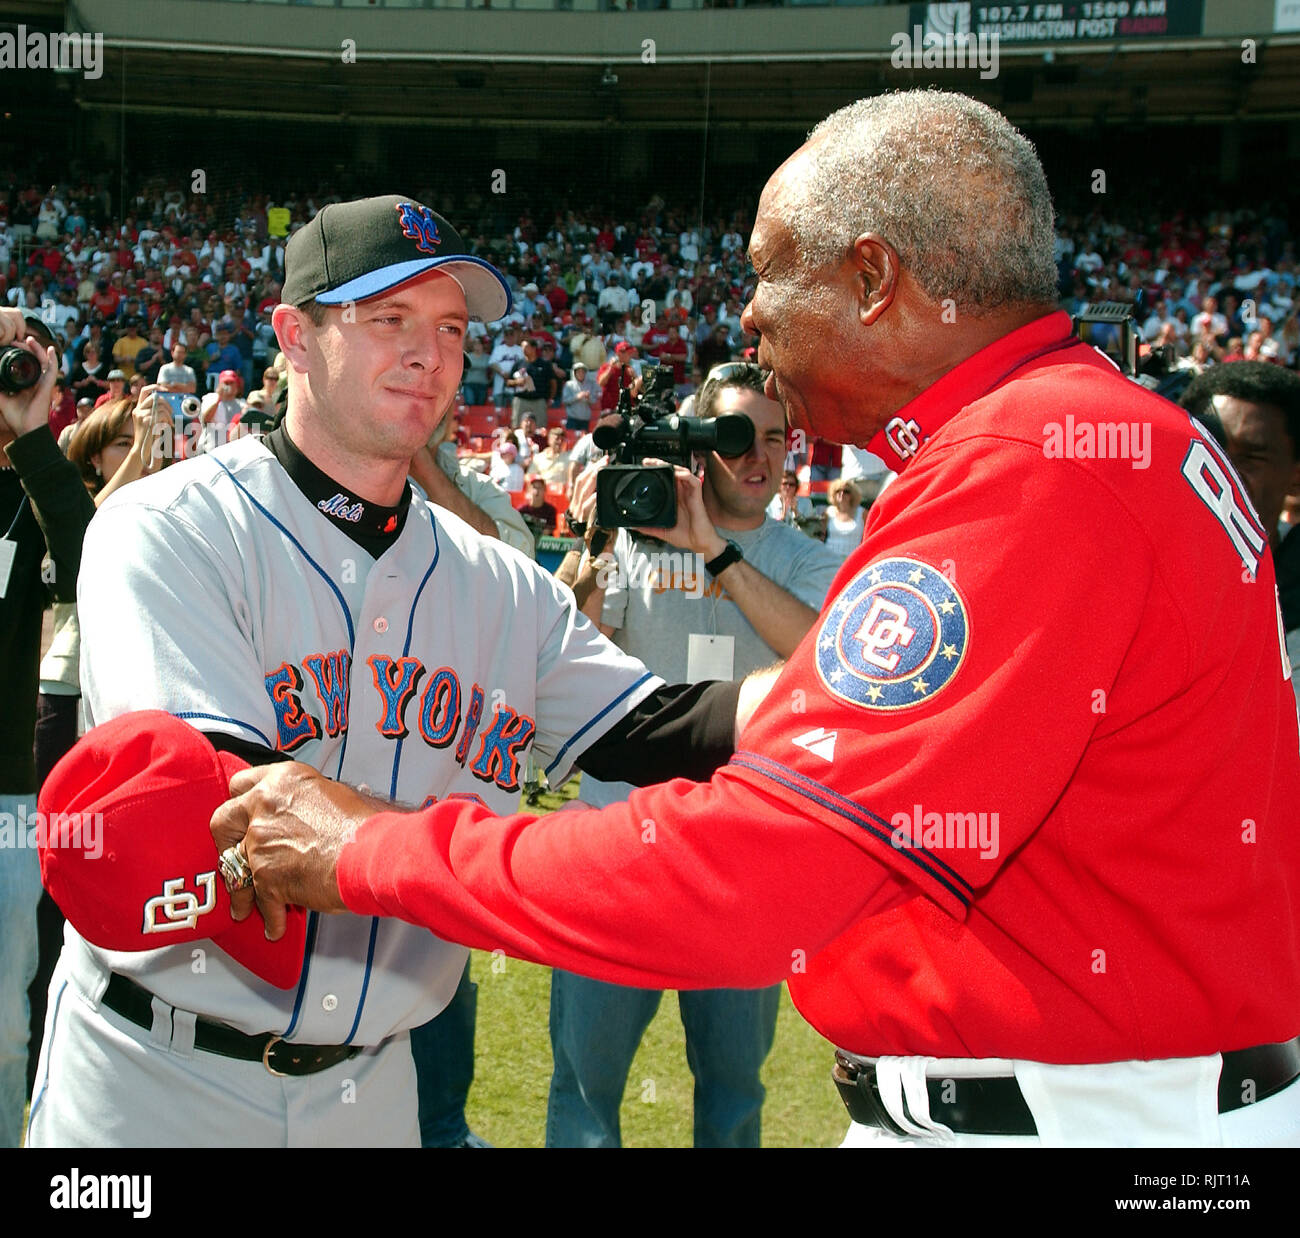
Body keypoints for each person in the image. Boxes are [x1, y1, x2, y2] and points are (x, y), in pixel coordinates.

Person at [213, 96, 1300, 1149]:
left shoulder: (1028, 461)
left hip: (1080, 1114)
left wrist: (371, 842)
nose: (745, 313)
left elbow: (755, 872)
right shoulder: (1088, 429)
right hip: (1105, 1095)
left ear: (871, 276)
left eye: (768, 268)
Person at [28, 193, 746, 1149]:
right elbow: (252, 813)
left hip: (373, 1088)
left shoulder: (498, 580)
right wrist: (541, 878)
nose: (430, 354)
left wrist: (856, 703)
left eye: (450, 326)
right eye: (388, 318)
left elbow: (668, 726)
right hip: (157, 1078)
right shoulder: (166, 527)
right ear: (294, 335)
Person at [548, 362, 840, 1148]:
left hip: (744, 852)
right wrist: (595, 539)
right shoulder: (632, 536)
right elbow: (560, 652)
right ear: (699, 447)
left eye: (776, 439)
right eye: (738, 436)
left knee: (734, 1095)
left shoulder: (804, 557)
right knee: (584, 1089)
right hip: (617, 844)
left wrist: (713, 551)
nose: (759, 457)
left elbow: (818, 659)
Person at [0, 308, 95, 1147]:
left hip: (5, 797)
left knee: (3, 1024)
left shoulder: (31, 489)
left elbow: (91, 573)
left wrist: (35, 434)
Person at [1180, 362, 1300, 702]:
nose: (1224, 474)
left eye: (1251, 458)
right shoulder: (1132, 579)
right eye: (1209, 453)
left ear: (1295, 474)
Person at [822, 478, 865, 560]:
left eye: (846, 491)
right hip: (830, 558)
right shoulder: (828, 512)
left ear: (852, 495)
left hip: (853, 559)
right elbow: (821, 537)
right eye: (838, 491)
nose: (841, 494)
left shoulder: (862, 513)